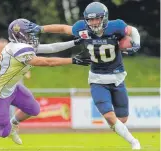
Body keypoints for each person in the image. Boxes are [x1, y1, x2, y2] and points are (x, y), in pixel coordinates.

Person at [28, 2, 141, 150]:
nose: (94, 22)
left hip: (117, 77)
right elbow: (63, 28)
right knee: (108, 115)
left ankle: (116, 125)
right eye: (90, 19)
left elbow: (133, 31)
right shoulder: (82, 29)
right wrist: (41, 29)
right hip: (97, 79)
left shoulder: (117, 26)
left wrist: (136, 44)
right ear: (86, 20)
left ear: (104, 18)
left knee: (122, 119)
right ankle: (134, 142)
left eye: (97, 19)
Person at [0, 18, 91, 149]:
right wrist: (73, 60)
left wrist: (75, 42)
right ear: (21, 35)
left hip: (11, 87)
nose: (33, 36)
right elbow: (46, 62)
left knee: (33, 109)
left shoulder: (19, 45)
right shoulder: (18, 49)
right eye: (29, 33)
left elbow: (51, 47)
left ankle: (13, 124)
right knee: (4, 131)